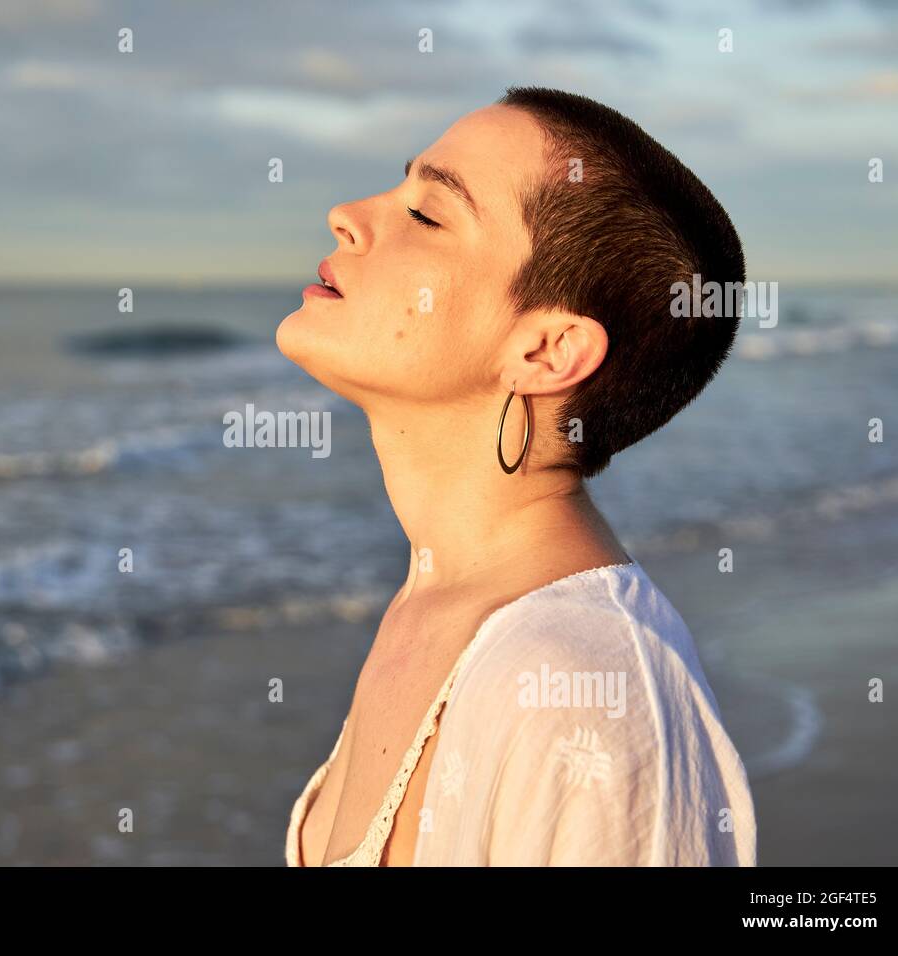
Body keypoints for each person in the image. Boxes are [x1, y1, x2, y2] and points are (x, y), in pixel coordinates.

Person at [276, 87, 756, 867]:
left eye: (429, 215)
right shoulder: (432, 600)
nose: (346, 214)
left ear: (545, 352)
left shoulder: (584, 685)